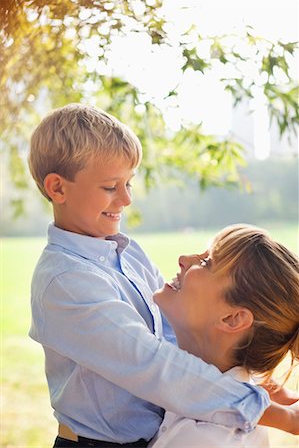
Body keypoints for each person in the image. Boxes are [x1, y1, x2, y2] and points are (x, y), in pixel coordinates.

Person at [28, 103, 297, 448]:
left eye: (129, 183)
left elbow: (181, 333)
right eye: (111, 186)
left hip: (161, 432)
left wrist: (256, 383)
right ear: (58, 188)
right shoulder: (65, 281)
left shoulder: (129, 252)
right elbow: (153, 364)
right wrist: (278, 417)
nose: (126, 199)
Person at [150, 224, 299, 447]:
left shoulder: (201, 440)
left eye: (205, 262)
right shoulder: (249, 393)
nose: (183, 258)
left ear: (233, 319)